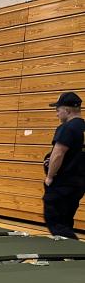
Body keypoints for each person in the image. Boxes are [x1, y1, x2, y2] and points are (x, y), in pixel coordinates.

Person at [43, 92, 84, 239]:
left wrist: (49, 176)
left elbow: (58, 153)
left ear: (67, 110)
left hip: (63, 182)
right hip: (78, 183)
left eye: (58, 110)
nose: (57, 114)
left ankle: (75, 249)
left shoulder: (67, 128)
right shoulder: (83, 128)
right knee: (66, 221)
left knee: (54, 221)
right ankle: (66, 256)